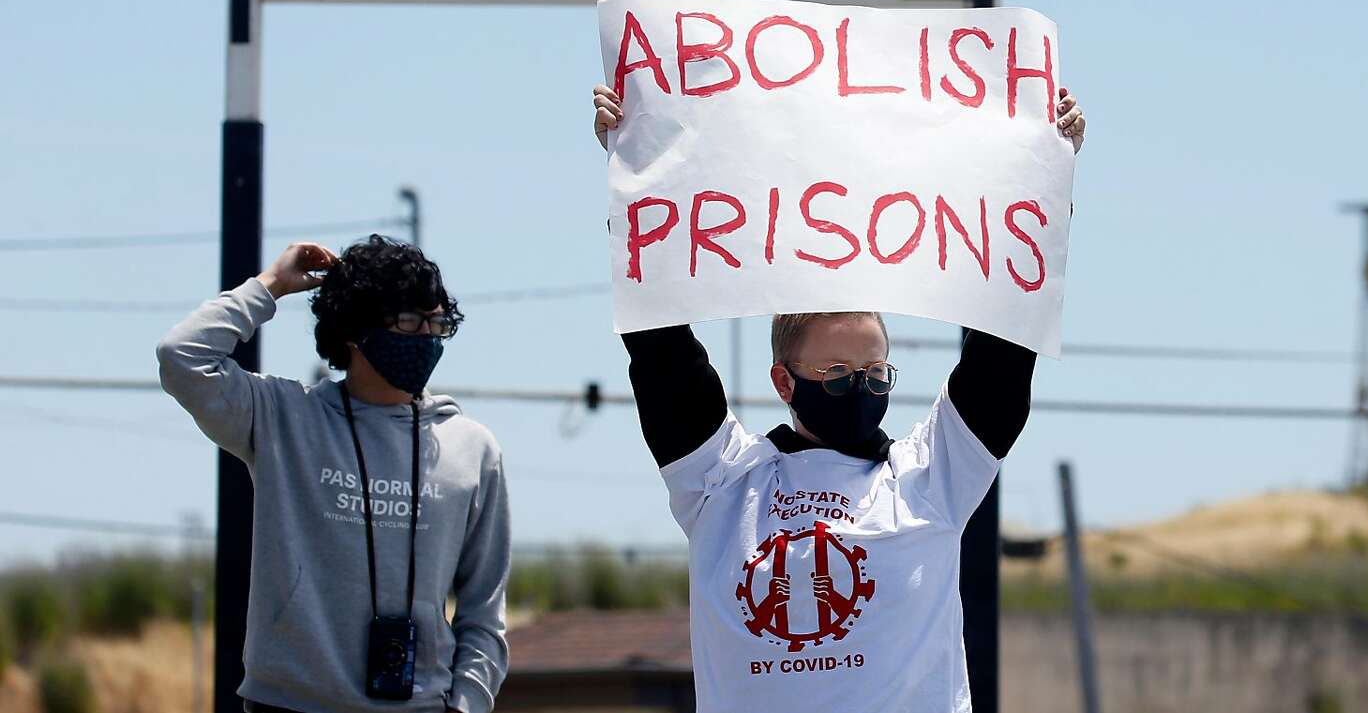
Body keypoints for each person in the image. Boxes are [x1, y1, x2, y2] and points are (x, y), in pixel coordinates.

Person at [591, 80, 1086, 712]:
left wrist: (1049, 178)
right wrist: (631, 169)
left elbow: (1003, 356)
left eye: (875, 370)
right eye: (836, 369)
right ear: (784, 380)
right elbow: (661, 353)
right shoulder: (720, 483)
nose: (861, 385)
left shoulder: (931, 477)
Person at [157, 235, 511, 713]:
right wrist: (271, 285)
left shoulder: (472, 448)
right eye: (409, 321)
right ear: (354, 331)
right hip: (287, 704)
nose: (427, 337)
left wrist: (465, 705)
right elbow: (182, 357)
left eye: (437, 322)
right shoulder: (283, 417)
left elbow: (484, 612)